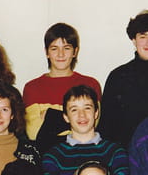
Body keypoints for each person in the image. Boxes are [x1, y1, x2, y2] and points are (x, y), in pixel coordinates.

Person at [42, 85, 130, 175]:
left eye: (87, 108)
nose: (81, 115)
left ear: (96, 113)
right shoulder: (53, 156)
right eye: (74, 110)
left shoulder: (115, 152)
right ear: (66, 117)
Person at [97, 10, 148, 148]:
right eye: (143, 37)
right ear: (133, 40)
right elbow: (106, 127)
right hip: (125, 153)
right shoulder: (117, 76)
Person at [22, 23, 102, 153]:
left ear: (75, 51)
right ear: (46, 52)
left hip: (86, 153)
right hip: (45, 157)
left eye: (66, 48)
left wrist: (50, 115)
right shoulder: (32, 88)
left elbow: (92, 126)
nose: (61, 54)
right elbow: (34, 133)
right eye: (54, 48)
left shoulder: (90, 84)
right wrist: (70, 121)